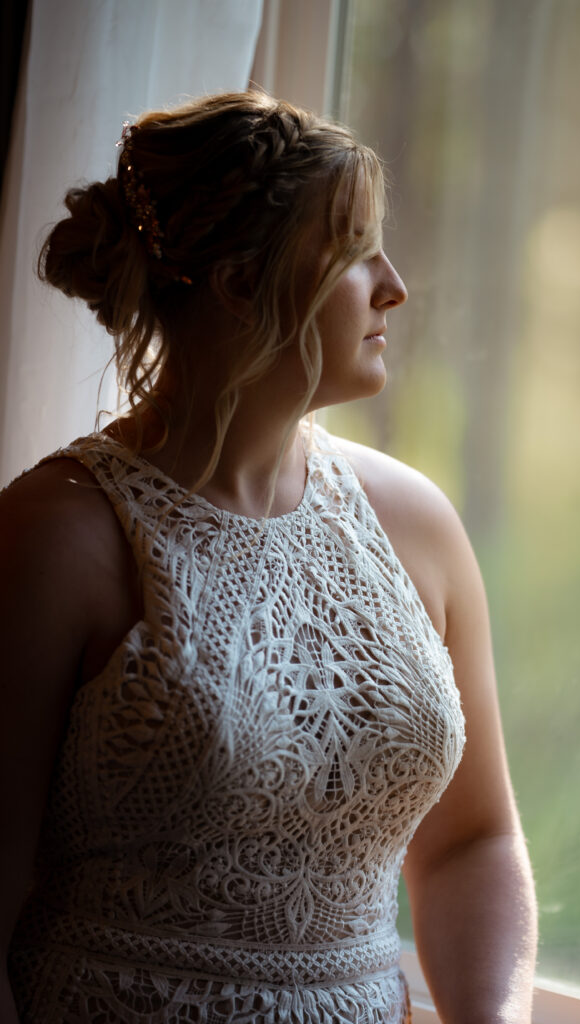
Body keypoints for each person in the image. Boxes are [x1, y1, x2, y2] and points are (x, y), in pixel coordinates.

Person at [0, 91, 537, 1023]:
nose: (394, 285)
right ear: (242, 283)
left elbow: (472, 842)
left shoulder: (414, 522)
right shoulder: (60, 536)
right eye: (354, 251)